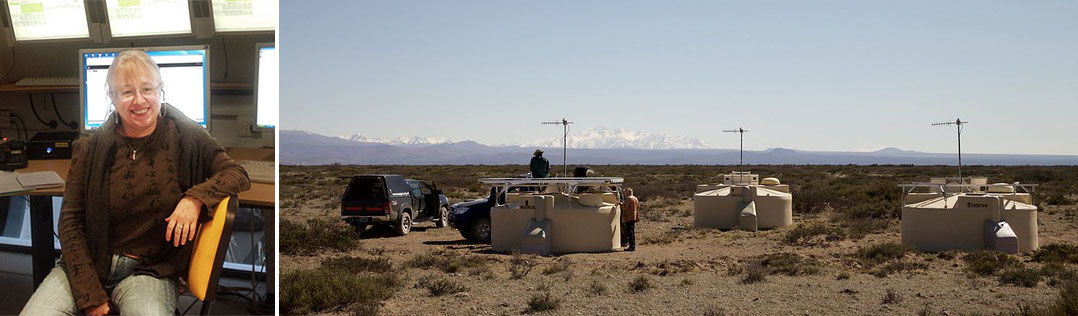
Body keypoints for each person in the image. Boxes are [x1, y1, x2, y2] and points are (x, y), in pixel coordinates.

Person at [21, 50, 250, 316]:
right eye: (127, 92)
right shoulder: (90, 148)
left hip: (149, 271)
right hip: (88, 264)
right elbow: (70, 224)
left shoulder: (186, 136)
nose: (139, 100)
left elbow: (237, 173)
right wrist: (91, 296)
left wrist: (194, 199)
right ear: (112, 98)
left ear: (160, 91)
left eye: (147, 89)